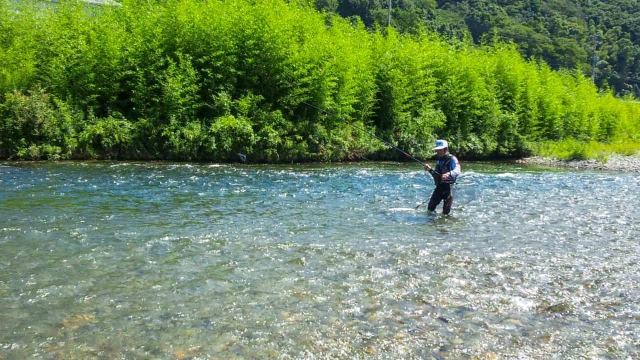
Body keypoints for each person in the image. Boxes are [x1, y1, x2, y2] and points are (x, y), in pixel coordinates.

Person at [424, 139, 461, 214]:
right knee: (430, 208)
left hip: (449, 188)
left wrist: (449, 173)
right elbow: (436, 174)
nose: (437, 152)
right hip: (440, 187)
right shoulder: (439, 160)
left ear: (446, 149)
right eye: (437, 150)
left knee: (446, 212)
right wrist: (430, 170)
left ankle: (445, 225)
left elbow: (458, 170)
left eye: (439, 150)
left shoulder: (452, 159)